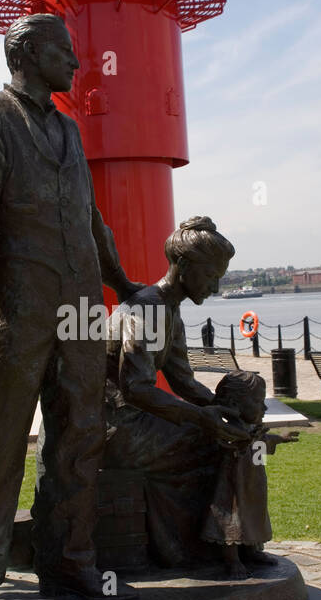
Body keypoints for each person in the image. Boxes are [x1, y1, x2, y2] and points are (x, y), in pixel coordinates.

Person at [0, 13, 139, 600]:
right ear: (28, 54)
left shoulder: (70, 132)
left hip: (80, 306)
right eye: (65, 52)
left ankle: (68, 560)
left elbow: (90, 218)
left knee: (81, 434)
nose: (78, 65)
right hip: (17, 307)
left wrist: (122, 282)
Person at [103, 216, 254, 569]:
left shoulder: (169, 311)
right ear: (183, 265)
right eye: (211, 277)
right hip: (113, 429)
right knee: (214, 446)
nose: (214, 289)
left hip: (134, 422)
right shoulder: (148, 308)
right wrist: (204, 419)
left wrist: (226, 408)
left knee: (229, 438)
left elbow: (184, 381)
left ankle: (211, 545)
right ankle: (197, 549)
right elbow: (136, 388)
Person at [201, 371, 299, 576]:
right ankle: (232, 558)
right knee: (232, 519)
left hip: (253, 481)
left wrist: (280, 438)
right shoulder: (226, 428)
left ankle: (252, 549)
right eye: (257, 401)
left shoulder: (253, 428)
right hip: (232, 485)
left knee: (254, 513)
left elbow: (261, 443)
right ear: (235, 404)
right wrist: (243, 439)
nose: (264, 408)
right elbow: (227, 445)